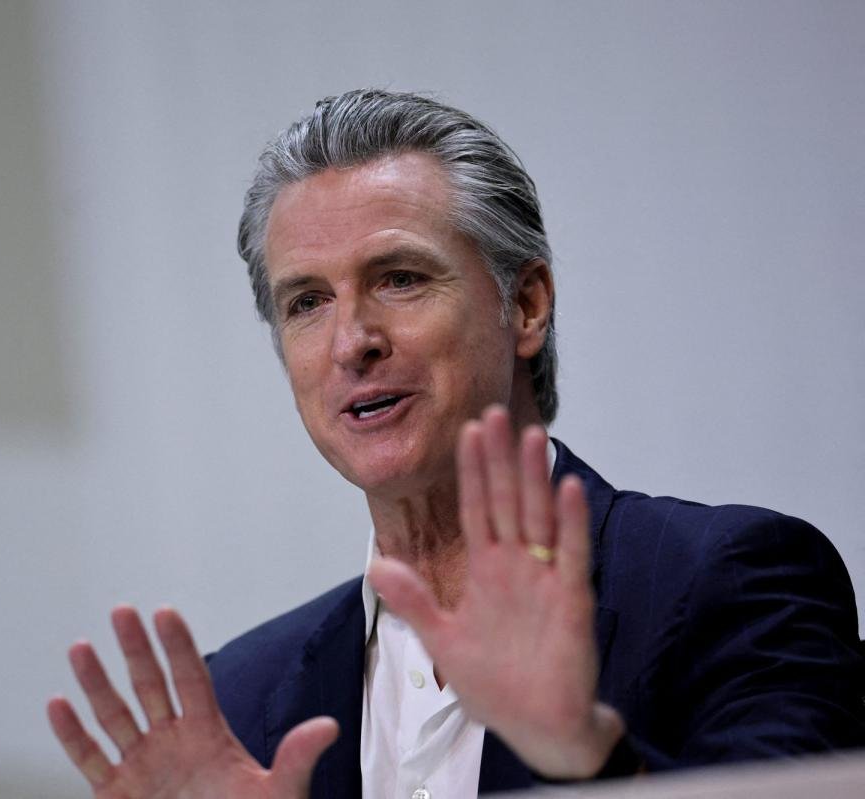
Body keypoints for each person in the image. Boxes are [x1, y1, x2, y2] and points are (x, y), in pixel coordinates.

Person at [47, 89, 865, 798]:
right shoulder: (239, 700)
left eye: (400, 278)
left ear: (527, 305)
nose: (352, 341)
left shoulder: (732, 583)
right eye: (307, 302)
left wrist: (586, 759)